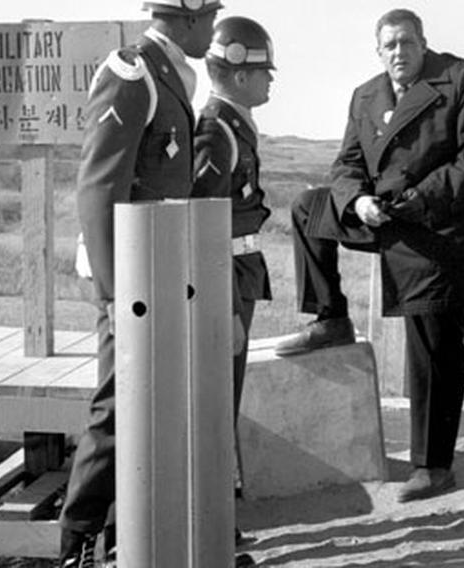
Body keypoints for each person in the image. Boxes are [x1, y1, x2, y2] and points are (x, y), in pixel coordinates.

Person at [273, 8, 464, 502]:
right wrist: (357, 201)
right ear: (378, 51)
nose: (398, 53)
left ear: (423, 43)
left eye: (407, 43)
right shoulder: (366, 95)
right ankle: (330, 316)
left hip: (443, 227)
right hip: (381, 214)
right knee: (308, 208)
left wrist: (418, 201)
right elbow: (346, 163)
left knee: (434, 341)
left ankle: (434, 466)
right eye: (389, 46)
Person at [60, 1, 222, 565]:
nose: (214, 27)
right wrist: (115, 291)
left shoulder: (169, 72)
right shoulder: (134, 74)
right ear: (188, 17)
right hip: (129, 276)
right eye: (211, 16)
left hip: (159, 269)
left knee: (155, 402)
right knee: (118, 404)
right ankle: (78, 540)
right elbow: (99, 186)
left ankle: (136, 539)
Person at [191, 15, 274, 493]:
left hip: (239, 273)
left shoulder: (234, 128)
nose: (270, 83)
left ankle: (218, 516)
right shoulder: (216, 132)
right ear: (241, 75)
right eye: (265, 73)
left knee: (227, 398)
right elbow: (204, 227)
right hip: (225, 280)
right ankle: (214, 522)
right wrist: (224, 307)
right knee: (217, 404)